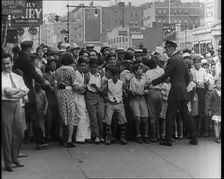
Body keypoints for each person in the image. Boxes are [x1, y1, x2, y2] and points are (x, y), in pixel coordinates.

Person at [148, 40, 198, 146]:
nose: (166, 52)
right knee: (186, 116)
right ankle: (194, 138)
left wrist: (152, 82)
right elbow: (187, 77)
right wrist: (183, 86)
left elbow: (165, 76)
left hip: (175, 92)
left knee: (170, 116)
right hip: (183, 92)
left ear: (171, 49)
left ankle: (168, 140)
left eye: (166, 49)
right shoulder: (181, 59)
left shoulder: (172, 60)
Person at [13, 41, 50, 149]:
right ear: (29, 49)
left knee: (22, 117)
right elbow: (34, 74)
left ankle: (18, 141)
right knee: (35, 117)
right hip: (27, 91)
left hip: (18, 91)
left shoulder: (17, 59)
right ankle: (39, 141)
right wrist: (44, 82)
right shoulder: (27, 60)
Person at [2, 53, 29, 171]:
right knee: (7, 134)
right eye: (3, 64)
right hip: (5, 106)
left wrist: (15, 92)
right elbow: (6, 91)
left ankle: (15, 157)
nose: (6, 66)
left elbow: (25, 91)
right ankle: (8, 163)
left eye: (8, 63)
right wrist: (19, 91)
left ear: (12, 63)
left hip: (18, 105)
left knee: (20, 133)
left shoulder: (18, 77)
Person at [97, 66, 128, 145]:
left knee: (123, 118)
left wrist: (127, 92)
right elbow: (101, 90)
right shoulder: (108, 82)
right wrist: (95, 87)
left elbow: (126, 91)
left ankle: (123, 136)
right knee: (108, 119)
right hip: (110, 103)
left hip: (119, 103)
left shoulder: (121, 83)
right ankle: (108, 136)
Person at [55, 52, 79, 147]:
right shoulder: (72, 71)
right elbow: (75, 85)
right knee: (70, 116)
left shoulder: (58, 70)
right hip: (68, 93)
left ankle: (61, 136)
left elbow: (55, 84)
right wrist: (82, 87)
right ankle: (69, 139)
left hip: (60, 93)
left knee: (62, 115)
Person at [85, 58, 105, 143]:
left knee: (101, 116)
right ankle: (96, 135)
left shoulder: (99, 75)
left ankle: (102, 135)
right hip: (90, 95)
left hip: (99, 96)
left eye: (95, 67)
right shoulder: (87, 75)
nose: (94, 69)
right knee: (93, 117)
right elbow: (84, 86)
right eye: (92, 67)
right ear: (89, 67)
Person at [145, 56, 164, 142]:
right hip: (160, 92)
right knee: (159, 114)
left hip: (152, 92)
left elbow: (146, 84)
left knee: (152, 115)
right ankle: (160, 134)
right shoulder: (161, 70)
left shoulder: (148, 73)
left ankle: (154, 136)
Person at [129, 63, 150, 144]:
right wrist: (138, 93)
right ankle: (138, 135)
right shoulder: (132, 80)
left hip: (143, 99)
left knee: (145, 118)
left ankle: (146, 135)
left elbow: (147, 87)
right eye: (138, 69)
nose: (140, 70)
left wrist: (146, 91)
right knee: (137, 118)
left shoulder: (144, 79)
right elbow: (132, 91)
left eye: (141, 69)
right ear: (135, 71)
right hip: (135, 100)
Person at [73, 57, 91, 143]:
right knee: (80, 116)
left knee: (86, 115)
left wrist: (84, 87)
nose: (83, 67)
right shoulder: (75, 73)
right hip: (76, 95)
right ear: (78, 65)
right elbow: (76, 87)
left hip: (82, 95)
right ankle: (79, 137)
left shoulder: (83, 74)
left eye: (85, 65)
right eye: (82, 65)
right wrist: (84, 86)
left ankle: (86, 135)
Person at [191, 55, 208, 137]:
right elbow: (190, 79)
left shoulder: (204, 71)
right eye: (195, 62)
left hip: (201, 90)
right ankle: (195, 130)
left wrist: (203, 82)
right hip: (194, 90)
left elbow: (206, 80)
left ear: (201, 63)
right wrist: (194, 82)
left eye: (198, 62)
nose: (196, 64)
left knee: (201, 109)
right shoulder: (191, 71)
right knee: (195, 110)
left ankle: (203, 131)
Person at [209, 77, 221, 143]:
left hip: (220, 110)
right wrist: (209, 109)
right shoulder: (213, 92)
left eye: (221, 83)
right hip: (215, 110)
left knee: (219, 123)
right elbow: (210, 101)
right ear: (215, 84)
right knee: (216, 123)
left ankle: (218, 135)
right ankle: (217, 137)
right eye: (218, 83)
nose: (220, 85)